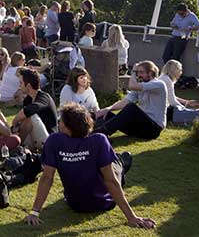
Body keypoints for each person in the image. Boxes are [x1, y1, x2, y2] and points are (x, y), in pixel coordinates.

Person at [24, 103, 155, 229]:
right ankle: (121, 162)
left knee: (112, 166)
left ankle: (120, 162)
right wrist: (131, 217)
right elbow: (111, 181)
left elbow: (47, 178)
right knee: (116, 167)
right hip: (104, 203)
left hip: (75, 204)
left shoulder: (54, 141)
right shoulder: (99, 140)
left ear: (67, 126)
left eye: (61, 121)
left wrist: (35, 212)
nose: (59, 123)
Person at [94, 61, 167, 140]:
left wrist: (133, 71)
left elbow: (132, 86)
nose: (138, 75)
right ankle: (92, 132)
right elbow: (125, 102)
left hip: (153, 129)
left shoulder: (159, 84)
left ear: (150, 73)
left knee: (131, 107)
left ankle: (102, 132)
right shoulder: (140, 85)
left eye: (141, 72)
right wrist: (107, 109)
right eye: (137, 72)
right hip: (140, 127)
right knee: (107, 114)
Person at [11, 69, 58, 151]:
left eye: (21, 83)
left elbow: (30, 111)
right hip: (33, 137)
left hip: (48, 140)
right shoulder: (28, 99)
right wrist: (15, 127)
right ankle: (15, 144)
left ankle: (16, 146)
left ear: (28, 85)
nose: (19, 86)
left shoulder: (44, 97)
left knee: (31, 117)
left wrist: (15, 120)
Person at [160, 60, 199, 124]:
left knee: (194, 112)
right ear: (175, 70)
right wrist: (185, 109)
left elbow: (171, 96)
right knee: (197, 114)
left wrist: (186, 102)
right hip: (165, 112)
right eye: (180, 70)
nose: (181, 72)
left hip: (163, 111)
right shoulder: (167, 80)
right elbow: (172, 101)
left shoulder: (164, 77)